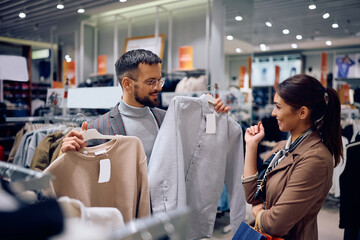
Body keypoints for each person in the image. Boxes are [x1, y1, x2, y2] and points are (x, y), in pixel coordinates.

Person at [61, 49, 230, 161]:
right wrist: (65, 153)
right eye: (151, 82)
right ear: (127, 83)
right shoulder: (98, 128)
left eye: (159, 80)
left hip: (162, 213)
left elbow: (204, 145)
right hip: (123, 213)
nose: (158, 87)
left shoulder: (168, 119)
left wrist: (214, 115)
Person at [242, 74, 342, 239]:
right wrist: (251, 146)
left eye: (278, 107)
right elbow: (252, 195)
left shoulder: (315, 159)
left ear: (302, 112)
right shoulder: (282, 148)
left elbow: (276, 224)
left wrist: (259, 212)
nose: (273, 113)